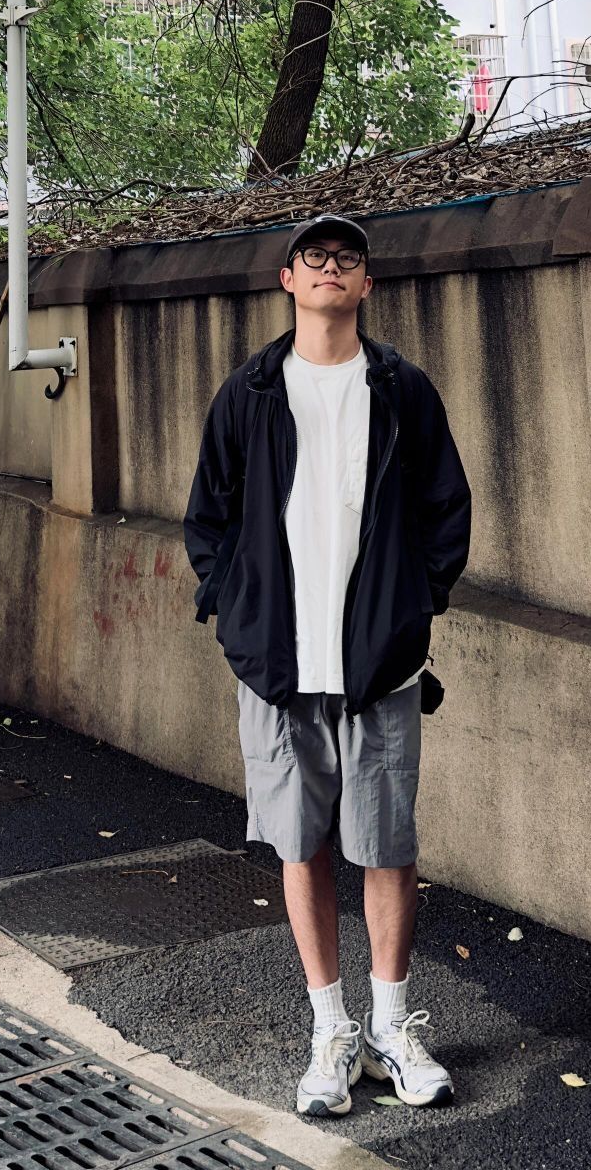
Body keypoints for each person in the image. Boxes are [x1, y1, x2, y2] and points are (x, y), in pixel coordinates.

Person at [184, 212, 472, 1117]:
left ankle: (391, 1026)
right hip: (278, 663)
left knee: (387, 845)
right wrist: (238, 611)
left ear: (366, 284)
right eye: (314, 256)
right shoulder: (251, 392)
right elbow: (209, 516)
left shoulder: (401, 388)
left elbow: (447, 507)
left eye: (348, 258)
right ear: (288, 279)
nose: (330, 268)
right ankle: (331, 1031)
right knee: (298, 843)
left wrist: (413, 606)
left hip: (378, 666)